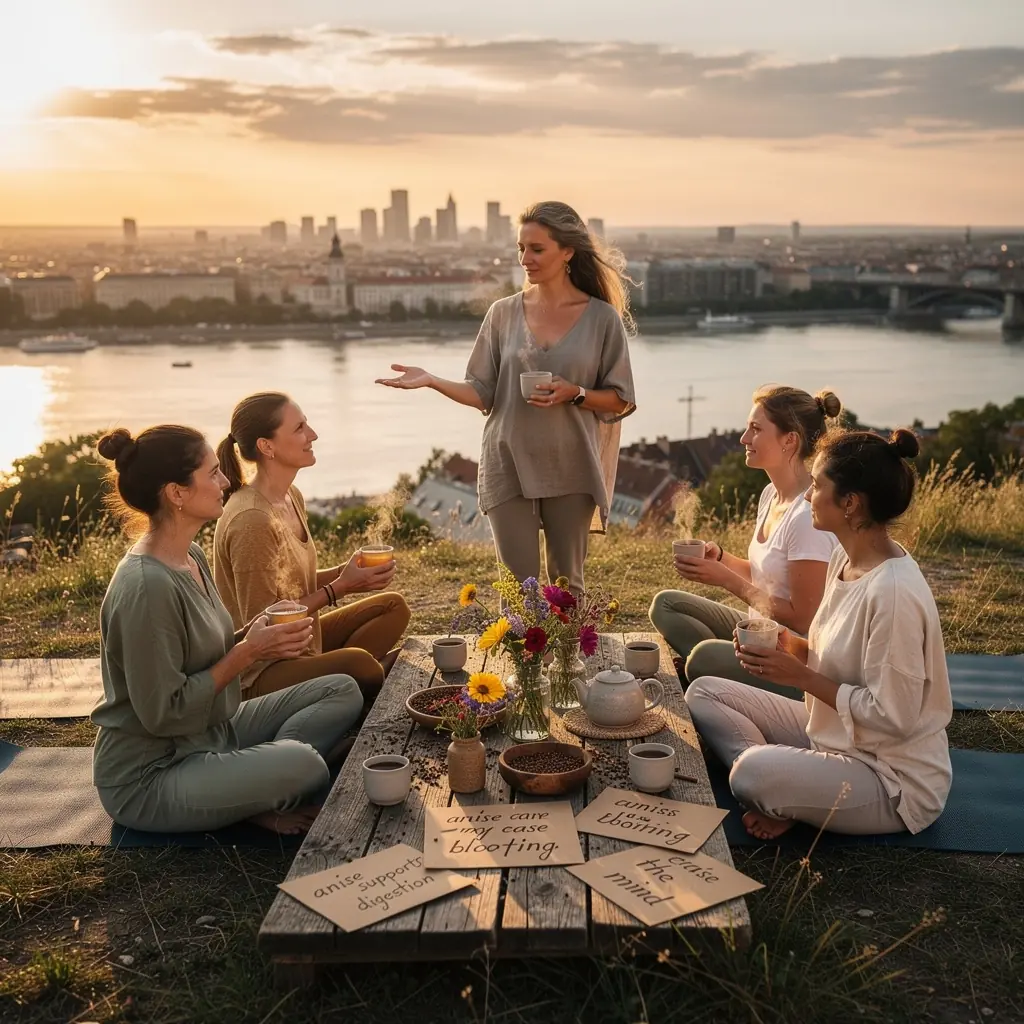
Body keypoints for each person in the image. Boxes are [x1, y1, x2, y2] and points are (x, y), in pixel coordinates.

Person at [92, 425, 364, 835]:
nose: (224, 482)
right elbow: (163, 713)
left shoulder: (191, 556)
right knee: (305, 764)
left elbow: (199, 652)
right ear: (176, 493)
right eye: (213, 473)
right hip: (154, 772)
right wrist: (248, 653)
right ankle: (267, 783)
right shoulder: (147, 587)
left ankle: (255, 779)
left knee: (341, 688)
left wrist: (252, 632)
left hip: (210, 733)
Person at [686, 428, 953, 840]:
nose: (808, 496)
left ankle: (780, 786)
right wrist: (792, 648)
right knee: (704, 692)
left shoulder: (893, 593)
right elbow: (838, 657)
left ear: (850, 503)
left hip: (888, 776)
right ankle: (790, 788)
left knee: (750, 773)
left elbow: (893, 718)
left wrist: (800, 676)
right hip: (830, 735)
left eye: (817, 486)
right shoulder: (843, 559)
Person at [376, 200, 636, 595]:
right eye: (520, 248)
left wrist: (576, 393)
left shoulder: (603, 319)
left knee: (567, 588)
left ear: (568, 251)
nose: (525, 259)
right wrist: (431, 380)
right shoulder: (502, 313)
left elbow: (620, 400)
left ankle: (565, 658)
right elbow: (481, 392)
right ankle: (525, 660)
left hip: (572, 465)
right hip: (507, 461)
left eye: (536, 249)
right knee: (519, 590)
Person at [213, 392, 410, 700]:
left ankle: (366, 678)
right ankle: (370, 679)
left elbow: (289, 585)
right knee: (360, 664)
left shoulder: (291, 495)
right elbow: (263, 621)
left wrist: (344, 574)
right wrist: (338, 590)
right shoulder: (251, 519)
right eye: (299, 428)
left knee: (393, 607)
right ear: (267, 446)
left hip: (303, 643)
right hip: (262, 672)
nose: (313, 434)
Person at [649, 385, 842, 696]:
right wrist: (721, 559)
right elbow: (768, 577)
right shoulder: (771, 495)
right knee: (666, 605)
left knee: (702, 658)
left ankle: (713, 671)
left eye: (756, 429)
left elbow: (803, 618)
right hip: (758, 632)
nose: (744, 439)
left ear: (789, 440)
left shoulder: (807, 517)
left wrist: (727, 581)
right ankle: (717, 671)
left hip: (793, 659)